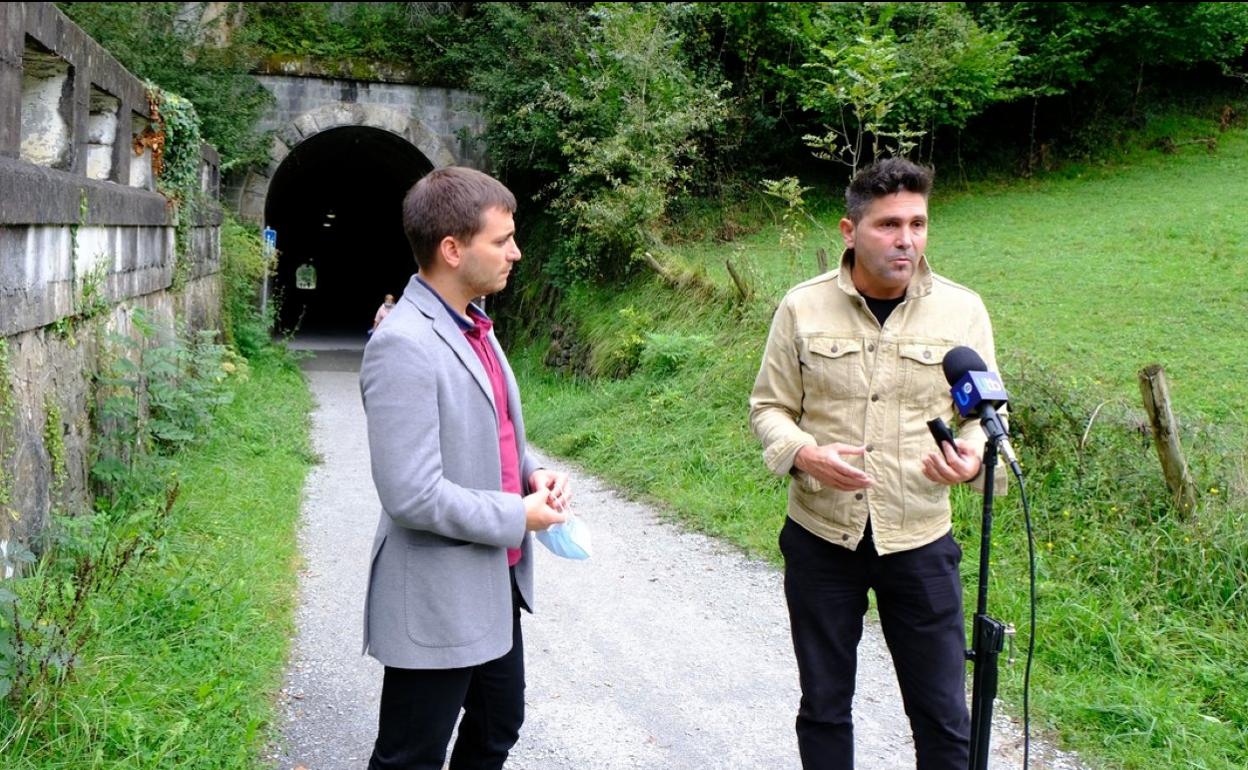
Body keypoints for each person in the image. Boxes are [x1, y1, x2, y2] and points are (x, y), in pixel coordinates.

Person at [748, 157, 1007, 770]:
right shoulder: (802, 307)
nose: (906, 240)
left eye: (918, 224)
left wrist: (972, 459)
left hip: (920, 540)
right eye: (889, 225)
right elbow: (769, 407)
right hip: (821, 539)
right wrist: (805, 452)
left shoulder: (962, 311)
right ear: (850, 230)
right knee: (824, 706)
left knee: (944, 718)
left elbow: (986, 418)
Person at [360, 166, 572, 770]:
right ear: (452, 250)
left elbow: (491, 431)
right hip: (437, 593)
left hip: (493, 581)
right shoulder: (403, 343)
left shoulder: (475, 324)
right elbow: (412, 495)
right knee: (411, 756)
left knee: (496, 727)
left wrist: (532, 473)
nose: (516, 252)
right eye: (502, 240)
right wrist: (518, 514)